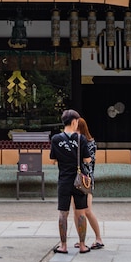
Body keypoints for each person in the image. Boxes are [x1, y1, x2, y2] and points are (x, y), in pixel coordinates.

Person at [50, 109, 91, 254]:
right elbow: (87, 159)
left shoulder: (55, 139)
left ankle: (63, 246)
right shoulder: (81, 139)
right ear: (74, 121)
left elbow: (53, 160)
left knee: (63, 214)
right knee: (81, 213)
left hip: (64, 180)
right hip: (79, 181)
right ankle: (82, 245)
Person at [74, 117, 104, 251]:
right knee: (76, 211)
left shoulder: (89, 143)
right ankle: (81, 239)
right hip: (74, 178)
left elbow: (88, 161)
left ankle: (98, 238)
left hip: (86, 179)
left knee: (87, 210)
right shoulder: (75, 141)